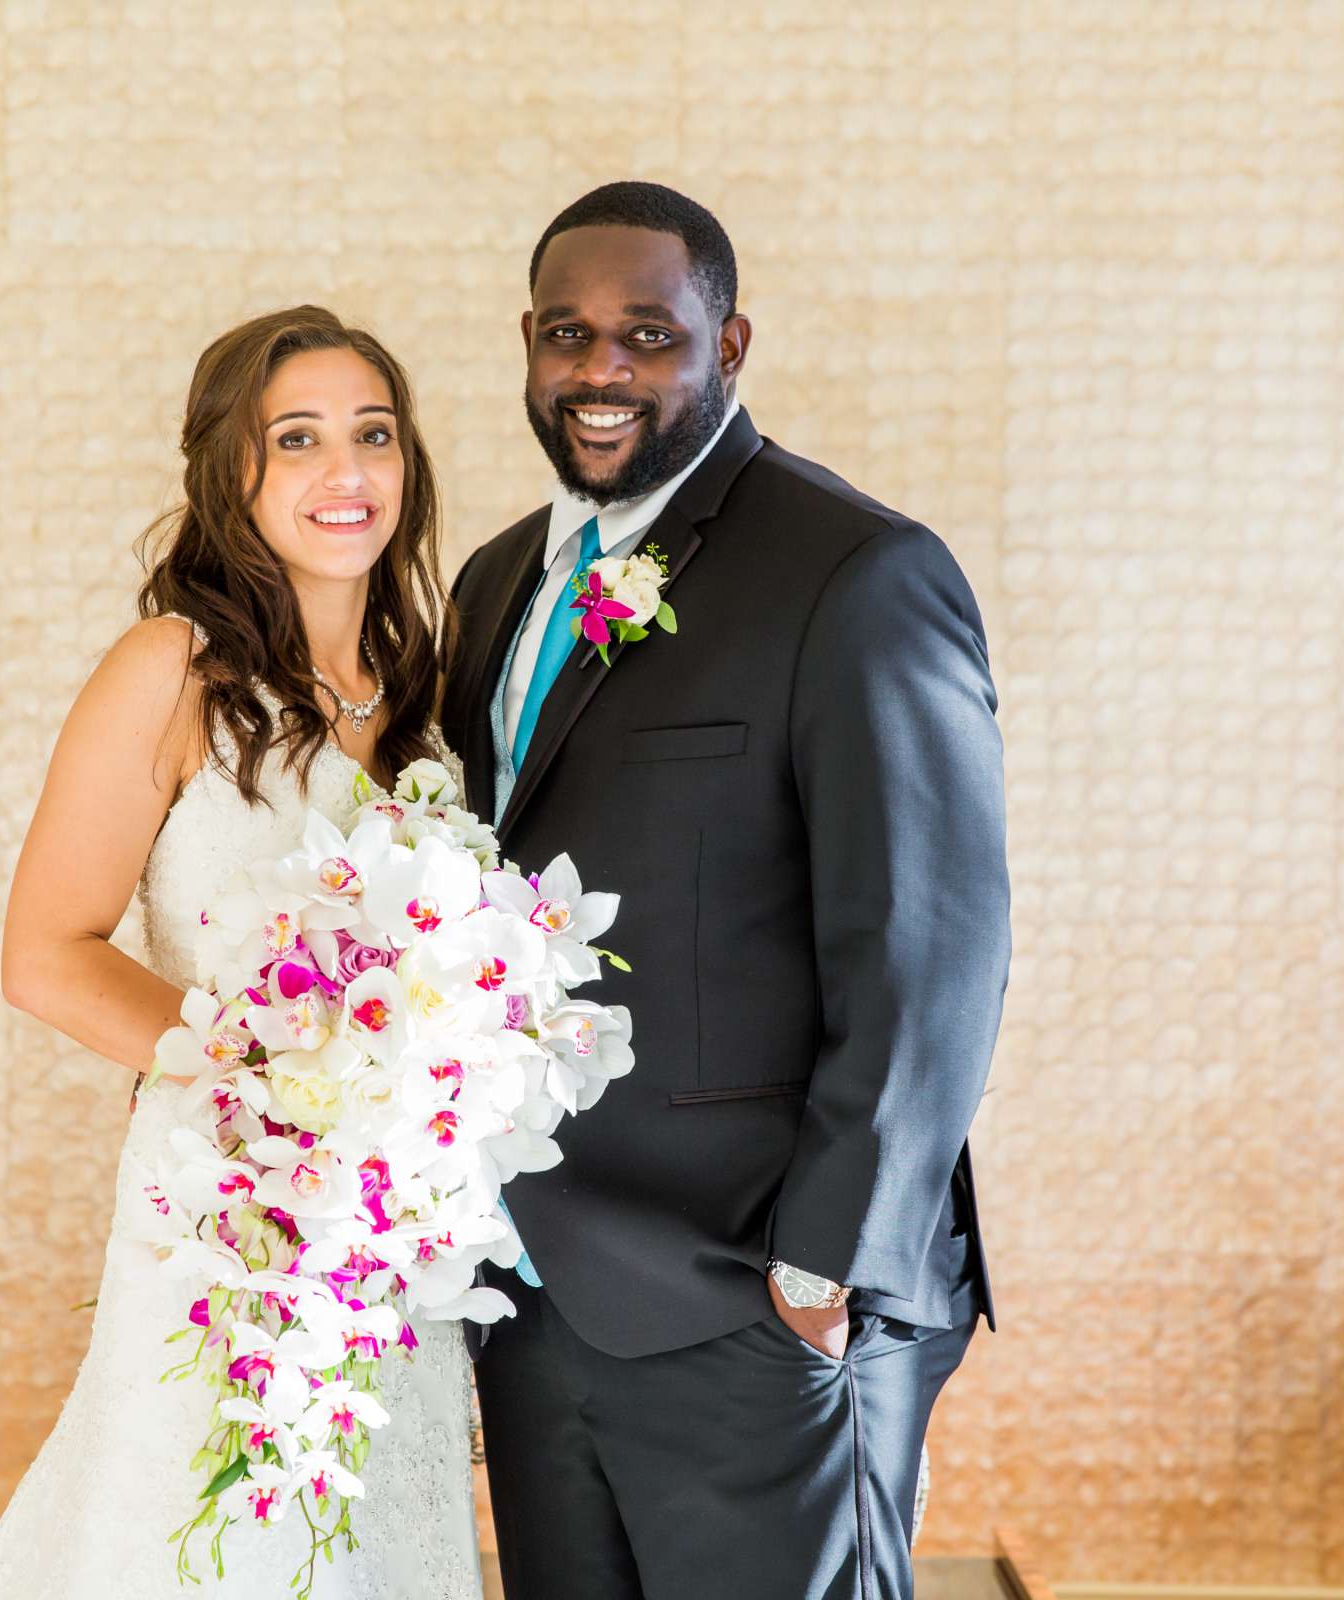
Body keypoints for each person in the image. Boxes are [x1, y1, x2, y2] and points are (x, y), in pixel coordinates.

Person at [445, 182, 1010, 1599]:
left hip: (756, 1295)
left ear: (731, 344)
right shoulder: (496, 582)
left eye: (650, 333)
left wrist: (823, 1277)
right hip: (537, 1286)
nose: (603, 371)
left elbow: (929, 956)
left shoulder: (857, 574)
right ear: (528, 343)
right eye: (569, 335)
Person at [0, 306, 482, 1598]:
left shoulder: (426, 695)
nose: (345, 473)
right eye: (294, 440)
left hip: (389, 1224)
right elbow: (47, 953)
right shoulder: (172, 668)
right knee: (210, 1532)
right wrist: (272, 1076)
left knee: (375, 1539)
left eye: (373, 434)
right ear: (229, 474)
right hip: (226, 1202)